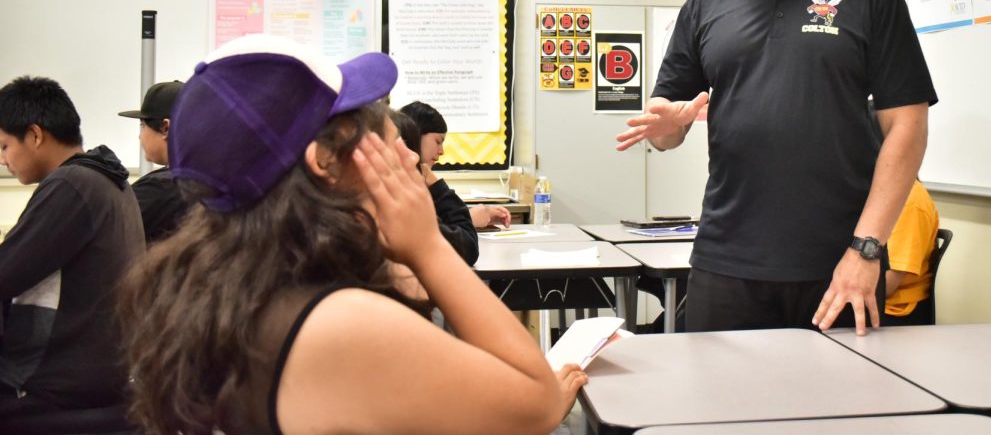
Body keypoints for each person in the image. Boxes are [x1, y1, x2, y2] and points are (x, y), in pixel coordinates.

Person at [118, 34, 583, 435]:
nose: (408, 157)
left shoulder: (241, 283)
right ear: (325, 159)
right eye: (382, 130)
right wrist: (428, 247)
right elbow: (538, 405)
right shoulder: (338, 323)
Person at [616, 0, 937, 335]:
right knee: (720, 407)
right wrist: (665, 128)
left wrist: (866, 249)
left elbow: (907, 126)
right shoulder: (706, 6)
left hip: (838, 263)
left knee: (848, 409)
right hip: (726, 262)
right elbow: (665, 129)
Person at [0, 76, 144, 425]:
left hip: (55, 386)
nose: (4, 161)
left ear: (34, 135)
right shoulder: (111, 182)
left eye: (4, 147)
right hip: (101, 378)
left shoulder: (71, 185)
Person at [400, 100, 511, 229]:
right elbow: (432, 232)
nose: (441, 151)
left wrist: (471, 216)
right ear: (416, 134)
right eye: (438, 141)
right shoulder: (405, 185)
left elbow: (438, 223)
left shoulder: (418, 181)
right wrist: (468, 220)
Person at [392, 108, 479, 265]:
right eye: (438, 141)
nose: (442, 151)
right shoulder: (402, 202)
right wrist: (437, 186)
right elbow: (468, 247)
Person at [118, 80, 190, 242]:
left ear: (166, 128)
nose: (140, 136)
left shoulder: (158, 188)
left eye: (142, 125)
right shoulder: (209, 181)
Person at [882, 179, 940, 326]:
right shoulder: (874, 193)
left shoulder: (909, 201)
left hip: (892, 309)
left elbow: (887, 285)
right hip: (872, 299)